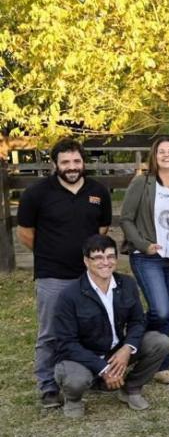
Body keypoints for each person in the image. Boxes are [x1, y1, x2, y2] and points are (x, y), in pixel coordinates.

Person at [17, 138, 112, 408]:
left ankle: (93, 375)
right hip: (52, 275)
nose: (72, 167)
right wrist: (52, 252)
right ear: (55, 164)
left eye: (76, 161)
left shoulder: (98, 192)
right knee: (50, 333)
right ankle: (48, 386)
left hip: (89, 275)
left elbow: (102, 229)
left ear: (84, 162)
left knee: (92, 328)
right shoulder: (37, 193)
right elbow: (25, 234)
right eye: (66, 162)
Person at [52, 235, 169, 418]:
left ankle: (131, 388)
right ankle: (73, 399)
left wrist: (127, 348)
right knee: (76, 380)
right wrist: (103, 368)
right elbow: (66, 343)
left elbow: (137, 321)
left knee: (160, 342)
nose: (105, 263)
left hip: (115, 352)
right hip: (82, 357)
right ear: (86, 261)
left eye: (110, 257)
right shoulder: (69, 296)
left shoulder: (127, 284)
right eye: (98, 258)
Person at [119, 137, 169, 385]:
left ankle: (161, 367)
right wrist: (144, 245)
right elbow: (126, 219)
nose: (166, 155)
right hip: (148, 257)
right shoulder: (142, 183)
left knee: (167, 313)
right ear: (154, 157)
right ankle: (128, 345)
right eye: (161, 152)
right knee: (161, 309)